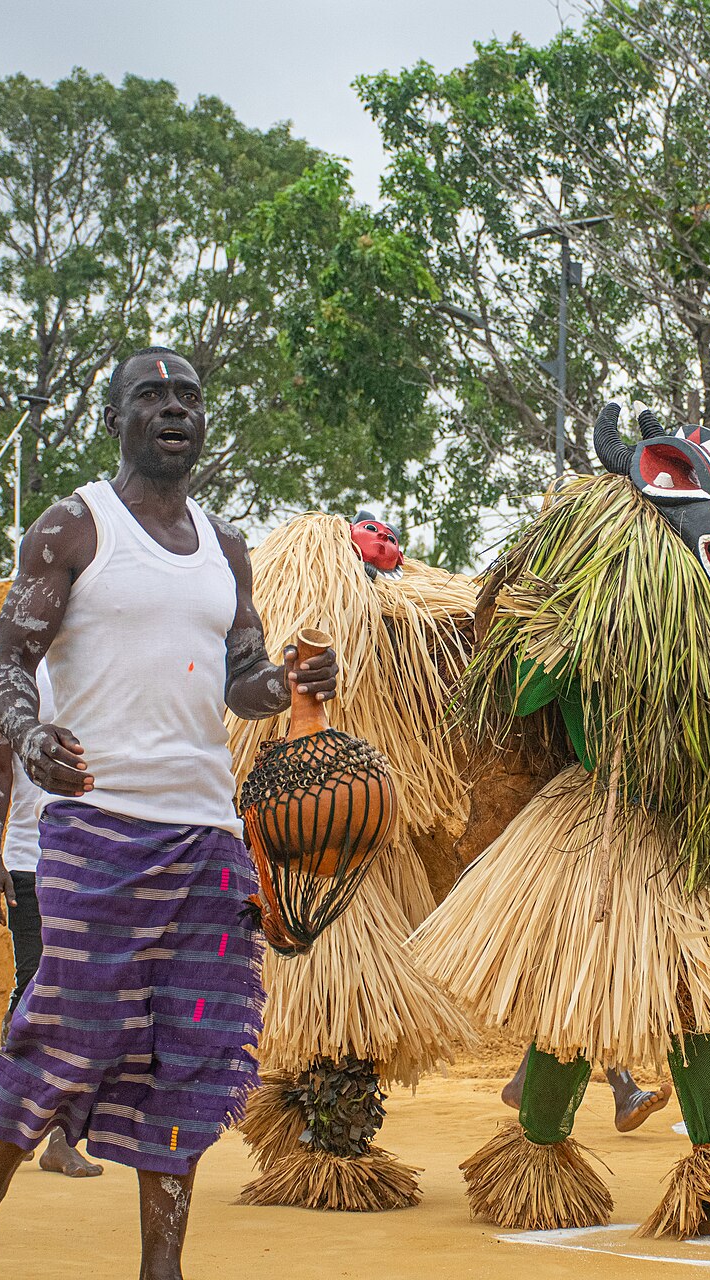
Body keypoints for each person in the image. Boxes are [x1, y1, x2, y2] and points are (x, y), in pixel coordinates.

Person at [411, 403, 710, 1238]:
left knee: (704, 997)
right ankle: (537, 1158)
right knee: (576, 1002)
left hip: (694, 838)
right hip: (596, 834)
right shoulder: (580, 627)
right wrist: (549, 636)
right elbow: (521, 698)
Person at [0, 347, 337, 1280]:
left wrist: (290, 682)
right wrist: (30, 733)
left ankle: (162, 1264)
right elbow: (6, 665)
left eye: (187, 395)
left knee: (194, 1042)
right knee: (72, 1023)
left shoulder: (226, 546)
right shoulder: (74, 526)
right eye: (150, 395)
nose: (172, 408)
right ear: (114, 419)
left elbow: (243, 681)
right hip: (95, 822)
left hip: (208, 833)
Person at [223, 510, 478, 1210]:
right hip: (315, 841)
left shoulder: (405, 613)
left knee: (329, 996)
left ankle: (302, 1120)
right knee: (341, 998)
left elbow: (463, 622)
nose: (387, 543)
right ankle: (330, 1153)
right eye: (373, 534)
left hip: (372, 828)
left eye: (393, 538)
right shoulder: (309, 609)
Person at [0, 660, 103, 1178]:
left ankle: (58, 1135)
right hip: (31, 860)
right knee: (36, 989)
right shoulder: (16, 675)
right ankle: (18, 1120)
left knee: (87, 1000)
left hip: (102, 859)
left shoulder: (106, 659)